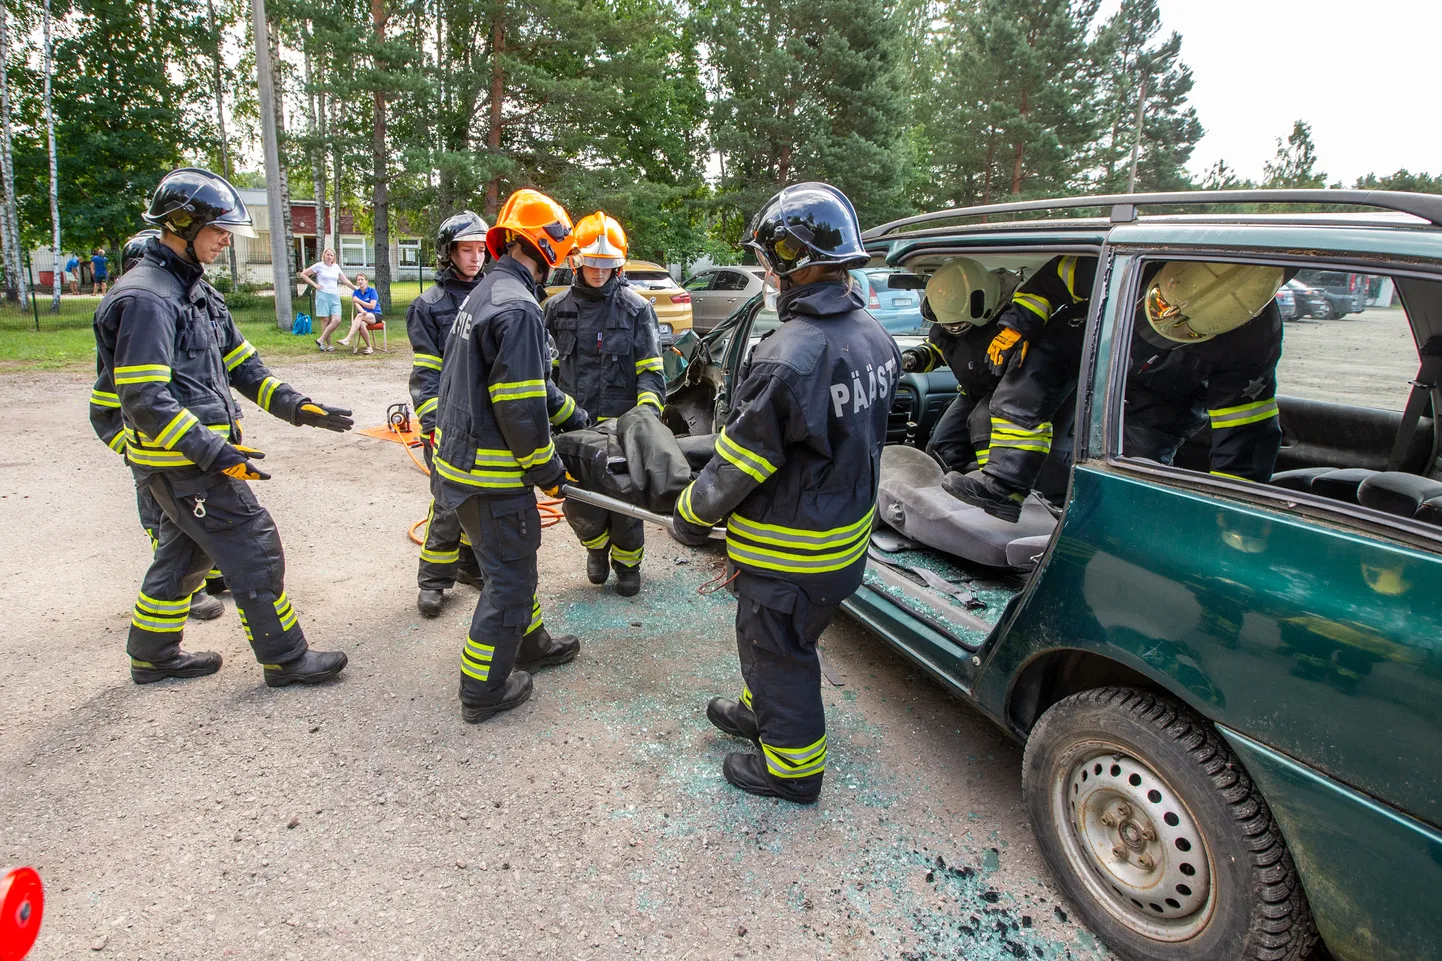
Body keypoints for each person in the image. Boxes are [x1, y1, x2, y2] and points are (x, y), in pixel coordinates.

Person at [671, 182, 900, 804]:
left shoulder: (787, 357)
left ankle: (792, 770)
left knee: (778, 651)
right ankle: (759, 712)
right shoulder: (873, 338)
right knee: (785, 639)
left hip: (789, 554)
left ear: (790, 257)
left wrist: (689, 516)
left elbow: (739, 464)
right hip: (845, 543)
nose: (767, 273)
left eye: (769, 260)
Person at [93, 166, 354, 686]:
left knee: (184, 553)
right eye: (217, 231)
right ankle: (286, 658)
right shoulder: (147, 298)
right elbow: (144, 398)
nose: (224, 241)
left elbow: (241, 366)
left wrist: (299, 407)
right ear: (182, 224)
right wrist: (212, 451)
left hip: (192, 458)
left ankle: (153, 654)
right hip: (187, 462)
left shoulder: (196, 293)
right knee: (251, 543)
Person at [943, 258, 1285, 520]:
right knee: (1024, 380)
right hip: (1091, 338)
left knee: (1137, 461)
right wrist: (1017, 326)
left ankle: (1104, 528)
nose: (1165, 322)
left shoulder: (1252, 341)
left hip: (1166, 388)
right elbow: (1051, 282)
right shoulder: (1131, 261)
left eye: (1184, 327)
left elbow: (1245, 427)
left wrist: (1235, 512)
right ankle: (1004, 487)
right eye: (1160, 306)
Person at [432, 188, 584, 723]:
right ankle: (483, 690)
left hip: (462, 467)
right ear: (544, 247)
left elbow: (527, 384)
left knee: (511, 563)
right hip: (491, 476)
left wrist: (572, 416)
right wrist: (548, 469)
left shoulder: (485, 292)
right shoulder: (518, 308)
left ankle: (529, 643)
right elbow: (517, 405)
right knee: (510, 578)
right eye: (557, 257)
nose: (556, 269)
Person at [543, 211, 665, 597]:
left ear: (619, 264)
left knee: (626, 504)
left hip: (621, 431)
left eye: (607, 265)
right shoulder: (555, 310)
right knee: (582, 503)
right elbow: (545, 374)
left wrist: (645, 418)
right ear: (577, 261)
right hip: (574, 430)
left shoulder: (636, 309)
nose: (598, 272)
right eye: (592, 264)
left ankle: (628, 567)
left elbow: (650, 371)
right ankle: (595, 550)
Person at [408, 211, 490, 618]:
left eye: (480, 249)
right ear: (448, 253)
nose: (475, 258)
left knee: (485, 501)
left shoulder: (495, 295)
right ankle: (433, 582)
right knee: (447, 501)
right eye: (466, 250)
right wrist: (432, 425)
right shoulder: (429, 306)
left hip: (487, 421)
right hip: (448, 421)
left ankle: (470, 567)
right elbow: (426, 373)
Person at [899, 258, 1005, 473]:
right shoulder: (946, 321)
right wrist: (915, 358)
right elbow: (941, 350)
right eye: (948, 324)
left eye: (958, 325)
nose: (952, 328)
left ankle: (990, 485)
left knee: (982, 424)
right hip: (970, 393)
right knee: (940, 451)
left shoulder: (1009, 326)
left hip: (1005, 395)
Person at [299, 247, 354, 351]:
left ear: (334, 257)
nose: (329, 257)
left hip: (334, 295)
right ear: (324, 255)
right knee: (325, 320)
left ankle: (320, 339)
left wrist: (355, 289)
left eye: (331, 255)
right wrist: (315, 285)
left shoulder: (336, 267)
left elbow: (345, 280)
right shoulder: (319, 266)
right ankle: (328, 345)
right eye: (327, 254)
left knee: (336, 319)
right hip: (323, 295)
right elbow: (304, 274)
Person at [338, 272, 380, 354]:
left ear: (366, 281)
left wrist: (359, 301)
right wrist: (362, 311)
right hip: (363, 315)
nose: (360, 281)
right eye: (358, 280)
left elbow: (372, 306)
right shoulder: (355, 293)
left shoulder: (372, 291)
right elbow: (357, 305)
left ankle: (347, 339)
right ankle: (369, 347)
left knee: (359, 316)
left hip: (375, 315)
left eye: (362, 279)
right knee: (361, 324)